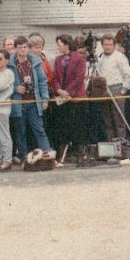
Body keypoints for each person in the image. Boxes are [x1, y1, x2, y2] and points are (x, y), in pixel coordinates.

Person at [9, 36, 52, 163]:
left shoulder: (35, 62)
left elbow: (43, 81)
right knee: (20, 132)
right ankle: (24, 159)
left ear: (28, 48)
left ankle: (48, 156)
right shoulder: (10, 64)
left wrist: (45, 99)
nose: (22, 50)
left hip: (34, 101)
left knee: (39, 130)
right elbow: (5, 83)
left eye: (24, 47)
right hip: (19, 103)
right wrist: (15, 89)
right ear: (15, 48)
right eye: (19, 47)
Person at [52, 34, 88, 164]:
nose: (58, 47)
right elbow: (55, 77)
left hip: (76, 97)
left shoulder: (80, 58)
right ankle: (62, 155)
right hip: (62, 98)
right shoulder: (57, 59)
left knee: (78, 126)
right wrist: (59, 90)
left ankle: (80, 154)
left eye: (59, 44)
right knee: (63, 126)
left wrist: (68, 91)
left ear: (66, 44)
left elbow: (79, 77)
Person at [96, 33, 130, 142]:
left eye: (110, 44)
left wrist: (123, 90)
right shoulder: (100, 57)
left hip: (117, 88)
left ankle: (121, 144)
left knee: (119, 119)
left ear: (114, 45)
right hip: (104, 90)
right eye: (105, 44)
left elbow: (127, 75)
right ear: (102, 45)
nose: (107, 47)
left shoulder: (120, 57)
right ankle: (110, 144)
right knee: (107, 119)